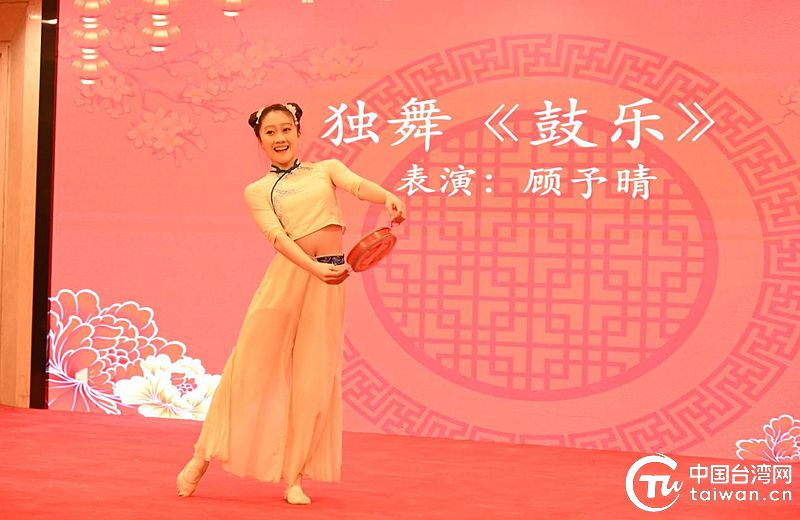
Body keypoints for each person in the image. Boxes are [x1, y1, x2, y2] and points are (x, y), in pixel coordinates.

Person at [175, 102, 406, 505]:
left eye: (286, 129)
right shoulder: (257, 190)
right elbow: (277, 238)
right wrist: (312, 268)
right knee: (249, 370)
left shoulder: (326, 169)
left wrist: (388, 197)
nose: (279, 138)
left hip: (329, 281)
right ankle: (201, 456)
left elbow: (356, 185)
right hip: (288, 278)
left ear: (298, 132)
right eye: (270, 132)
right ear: (260, 140)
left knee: (313, 379)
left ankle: (295, 477)